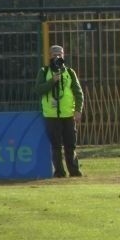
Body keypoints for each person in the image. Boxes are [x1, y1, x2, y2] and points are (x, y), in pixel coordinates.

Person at [34, 45, 84, 177]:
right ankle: (59, 173)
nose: (57, 56)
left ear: (64, 55)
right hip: (51, 115)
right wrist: (52, 81)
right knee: (56, 146)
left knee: (70, 145)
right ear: (49, 55)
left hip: (68, 114)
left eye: (60, 54)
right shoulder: (44, 71)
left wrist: (78, 110)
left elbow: (78, 93)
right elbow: (38, 90)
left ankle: (74, 171)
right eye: (54, 54)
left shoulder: (69, 72)